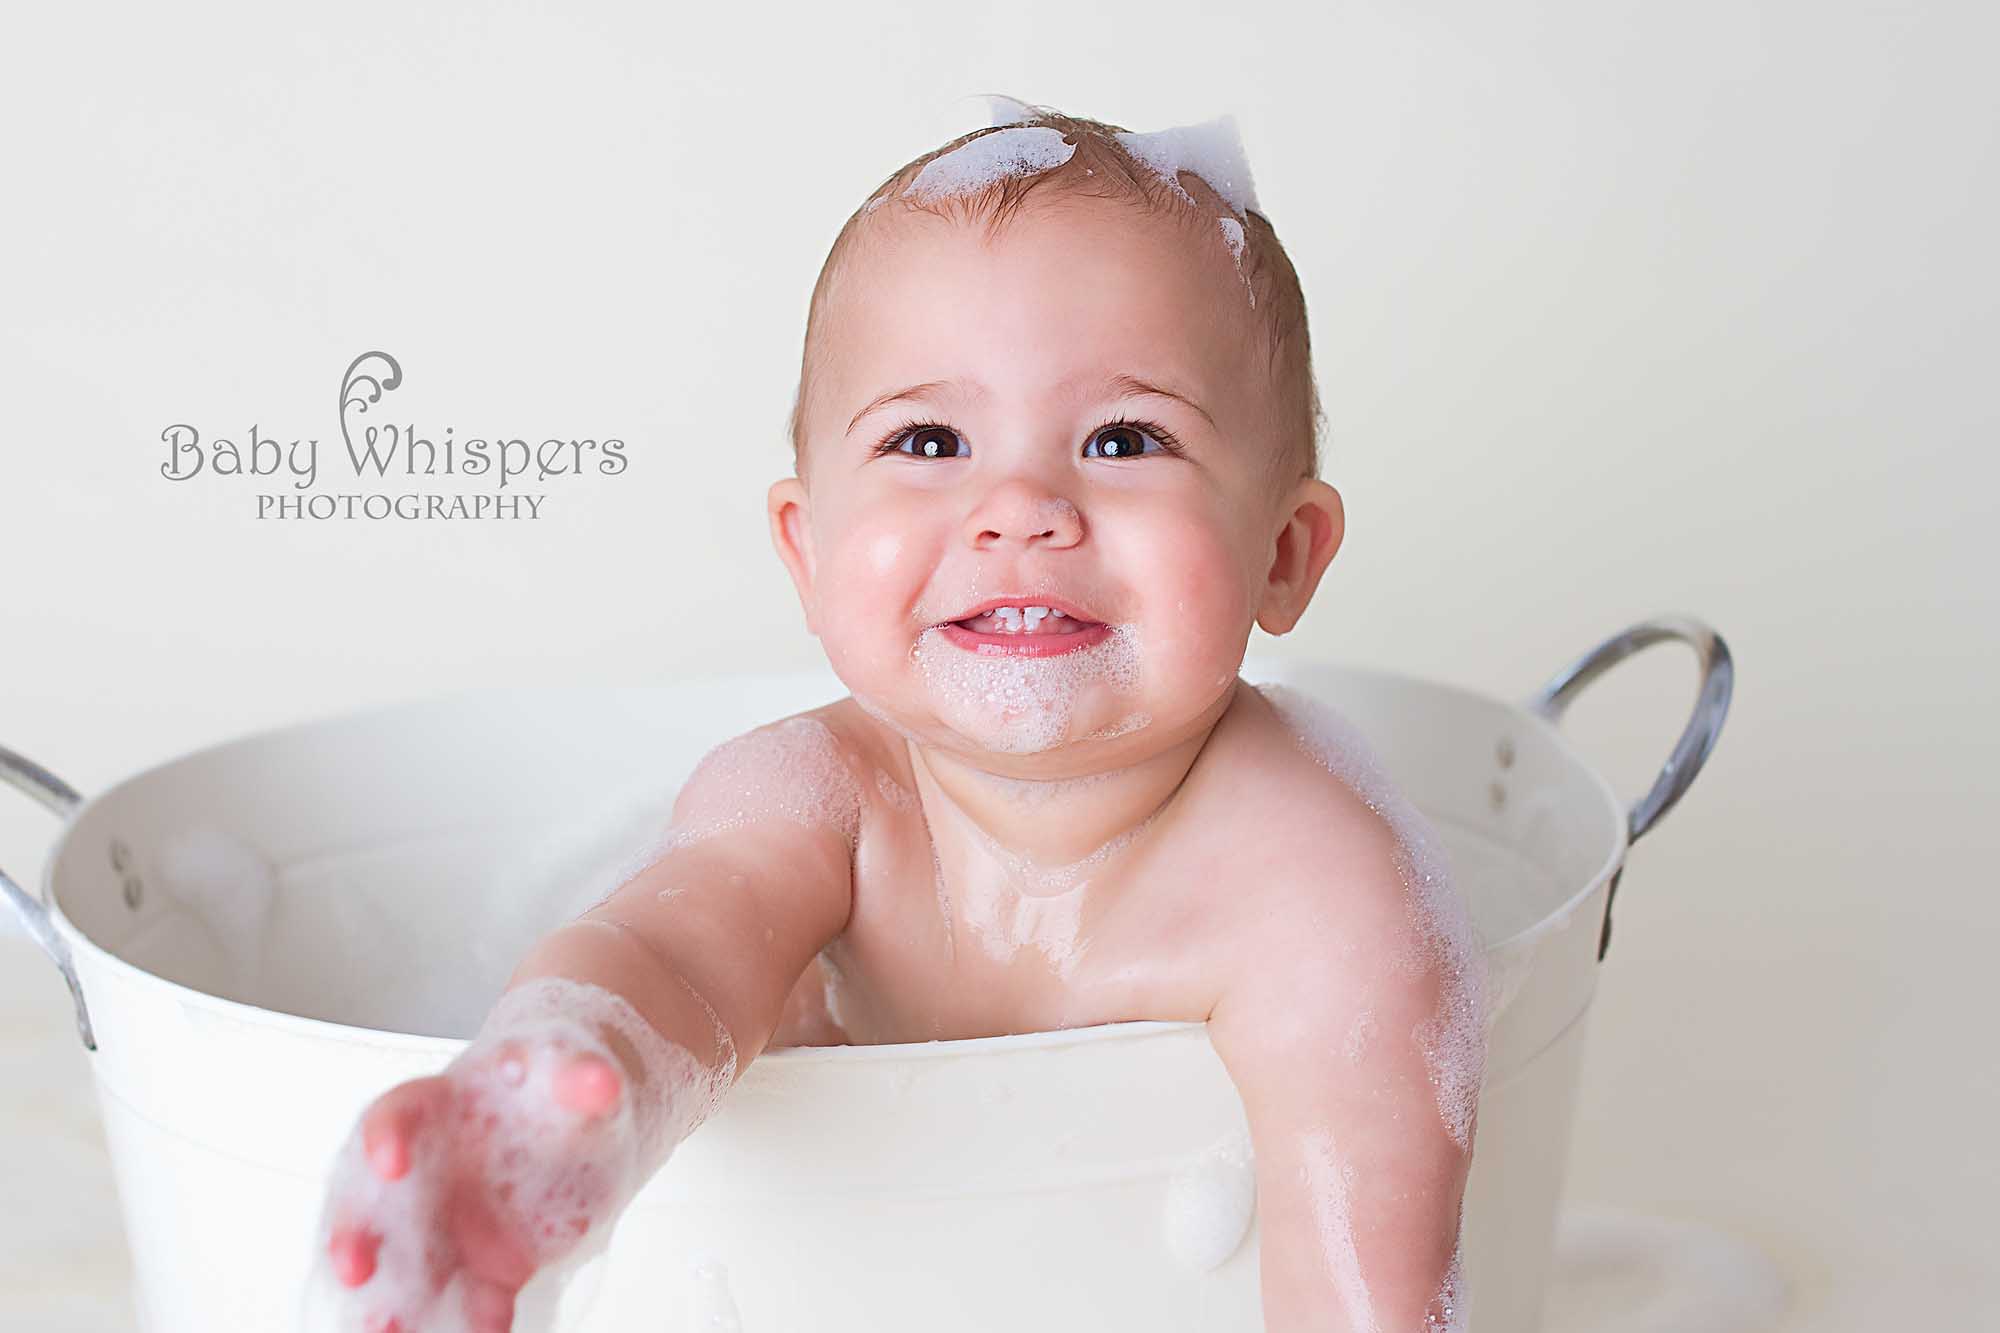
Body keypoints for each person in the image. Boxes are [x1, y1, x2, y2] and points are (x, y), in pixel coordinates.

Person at [309, 100, 1487, 1333]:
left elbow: (1370, 1302)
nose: (1019, 506)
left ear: (1284, 555)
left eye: (1123, 438)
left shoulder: (1322, 890)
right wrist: (543, 1115)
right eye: (930, 439)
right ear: (805, 550)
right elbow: (669, 961)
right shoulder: (813, 794)